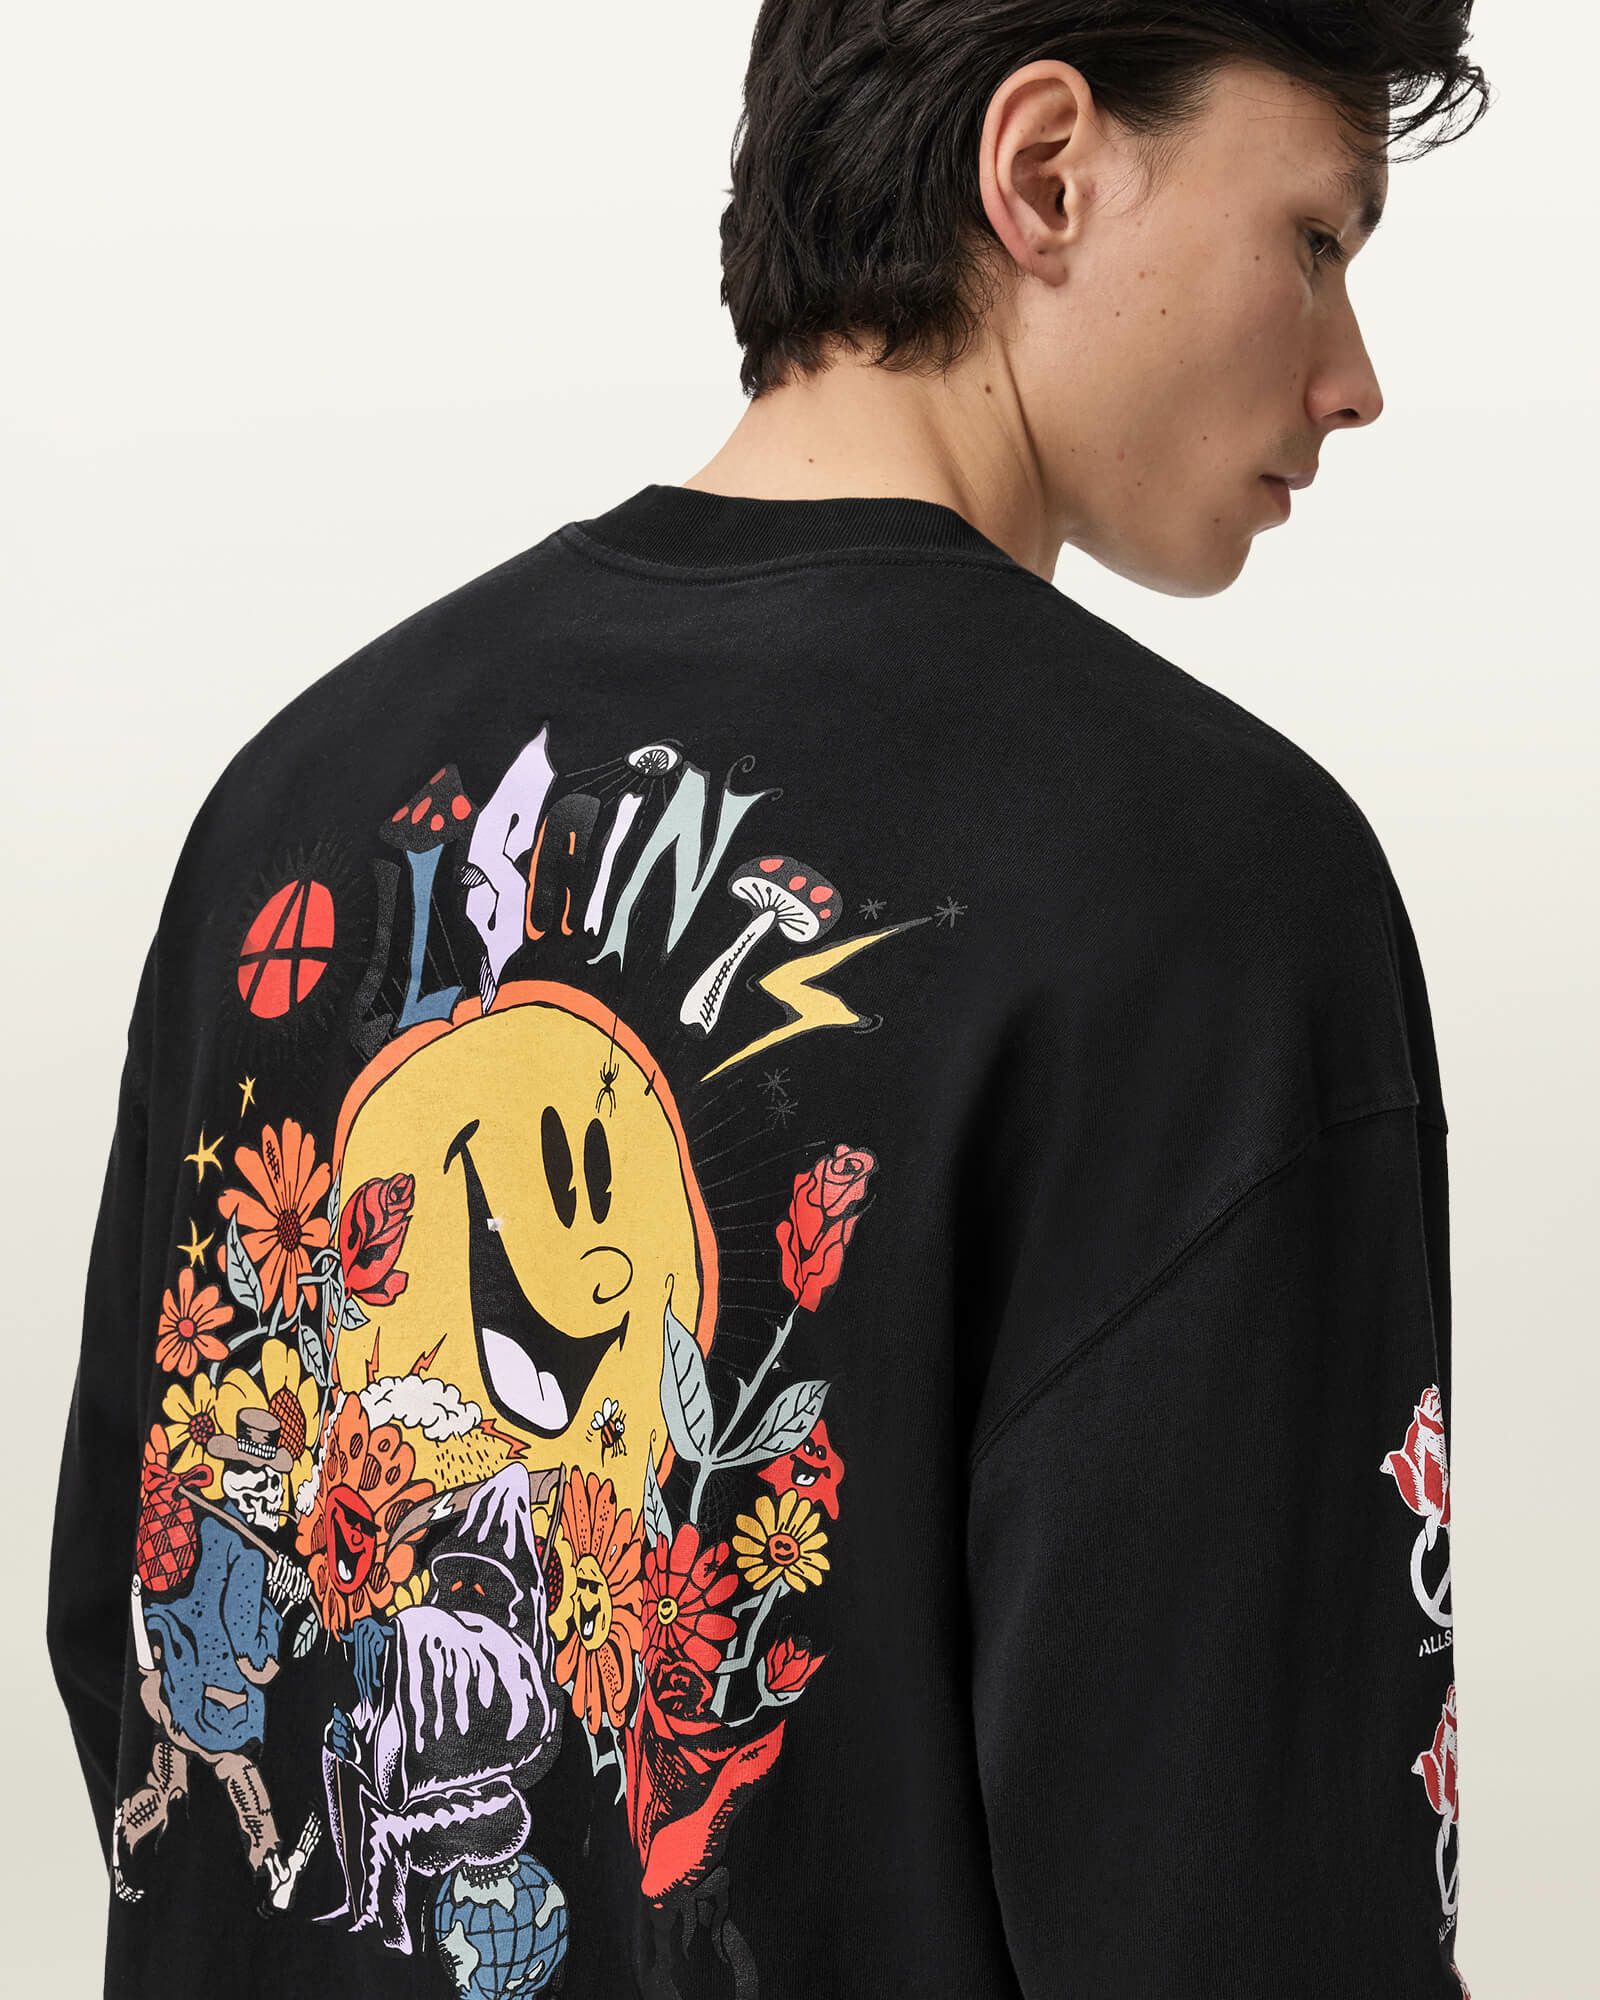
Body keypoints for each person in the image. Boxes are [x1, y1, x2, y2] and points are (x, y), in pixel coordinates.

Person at [47, 5, 1489, 1996]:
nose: (1353, 377)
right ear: (1045, 171)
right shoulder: (1209, 888)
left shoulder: (294, 800)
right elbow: (1235, 1899)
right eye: (1316, 240)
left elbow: (132, 1638)